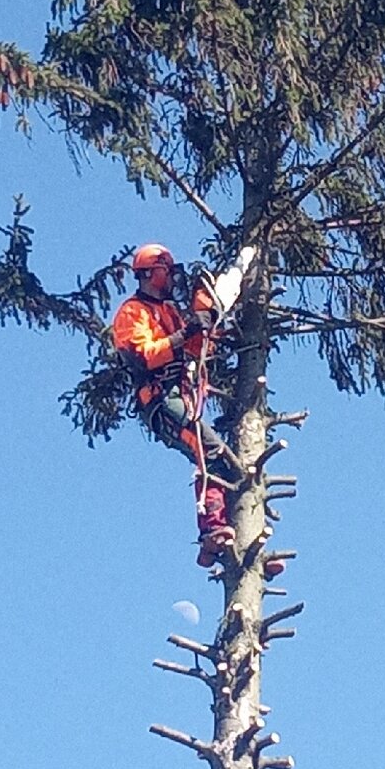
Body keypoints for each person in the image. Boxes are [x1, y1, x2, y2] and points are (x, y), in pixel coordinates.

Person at [112, 243, 237, 566]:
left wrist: (206, 316)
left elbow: (195, 348)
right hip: (159, 400)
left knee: (222, 459)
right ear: (152, 272)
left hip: (178, 396)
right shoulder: (132, 312)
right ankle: (211, 529)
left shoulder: (167, 311)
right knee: (210, 452)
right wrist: (185, 333)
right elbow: (144, 357)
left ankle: (225, 533)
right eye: (166, 271)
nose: (171, 278)